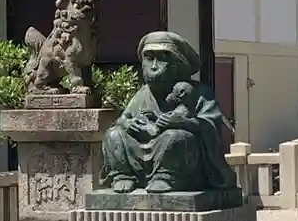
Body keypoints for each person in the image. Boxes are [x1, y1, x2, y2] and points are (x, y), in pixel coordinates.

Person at [101, 31, 236, 193]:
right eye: (149, 59)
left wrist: (184, 123)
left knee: (175, 137)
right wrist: (129, 123)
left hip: (179, 157)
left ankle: (166, 177)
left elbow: (211, 126)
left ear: (177, 64)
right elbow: (123, 119)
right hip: (143, 145)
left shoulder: (197, 92)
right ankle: (123, 175)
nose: (154, 66)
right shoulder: (143, 93)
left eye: (162, 59)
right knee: (113, 135)